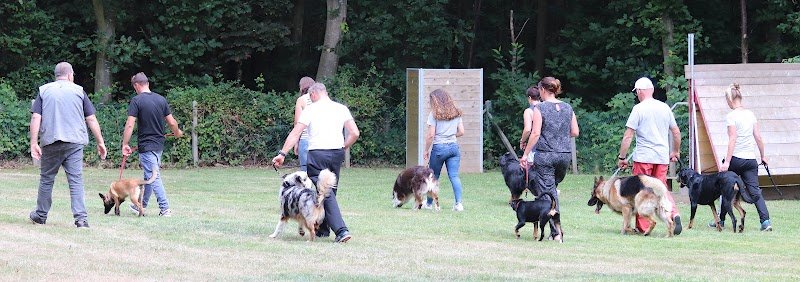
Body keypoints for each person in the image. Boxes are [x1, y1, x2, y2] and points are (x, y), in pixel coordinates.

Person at [272, 83, 360, 243]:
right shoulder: (341, 108)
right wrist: (344, 146)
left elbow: (295, 133)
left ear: (312, 95)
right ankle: (323, 229)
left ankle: (341, 230)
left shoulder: (310, 109)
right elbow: (355, 132)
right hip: (336, 153)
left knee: (326, 192)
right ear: (325, 93)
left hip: (317, 153)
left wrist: (282, 153)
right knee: (330, 190)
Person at [29, 62, 107, 228]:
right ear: (70, 75)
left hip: (50, 142)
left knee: (46, 179)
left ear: (56, 75)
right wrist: (100, 142)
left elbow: (36, 117)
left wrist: (33, 142)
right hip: (74, 143)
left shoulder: (44, 90)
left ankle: (41, 216)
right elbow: (91, 118)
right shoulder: (79, 91)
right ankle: (81, 219)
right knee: (75, 181)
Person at [617, 77, 682, 235]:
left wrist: (622, 157)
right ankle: (674, 213)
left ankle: (643, 227)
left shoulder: (638, 109)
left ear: (639, 91)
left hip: (644, 158)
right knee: (661, 189)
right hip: (661, 157)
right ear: (652, 90)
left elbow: (628, 136)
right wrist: (675, 151)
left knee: (641, 192)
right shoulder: (665, 108)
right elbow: (676, 132)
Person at [520, 77, 579, 241]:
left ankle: (556, 233)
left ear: (543, 90)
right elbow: (575, 132)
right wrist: (559, 136)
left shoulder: (540, 108)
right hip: (564, 156)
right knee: (550, 189)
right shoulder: (568, 107)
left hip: (546, 155)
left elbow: (536, 133)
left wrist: (525, 154)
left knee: (548, 194)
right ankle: (554, 229)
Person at [122, 72, 183, 217]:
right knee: (149, 175)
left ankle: (165, 208)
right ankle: (141, 205)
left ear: (137, 85)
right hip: (158, 146)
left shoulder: (136, 101)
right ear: (147, 83)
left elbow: (130, 124)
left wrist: (125, 143)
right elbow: (172, 122)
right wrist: (177, 132)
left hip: (146, 146)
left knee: (153, 176)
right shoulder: (161, 99)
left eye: (134, 87)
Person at [715, 83, 772, 231]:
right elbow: (758, 137)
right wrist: (763, 156)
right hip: (750, 160)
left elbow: (732, 139)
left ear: (730, 99)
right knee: (755, 191)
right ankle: (765, 222)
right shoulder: (751, 114)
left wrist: (727, 162)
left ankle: (720, 221)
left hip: (736, 159)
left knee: (725, 187)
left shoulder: (731, 116)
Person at [423, 89, 466, 211]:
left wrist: (426, 150)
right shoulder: (456, 112)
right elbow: (462, 132)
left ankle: (429, 203)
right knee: (454, 176)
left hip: (439, 148)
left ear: (435, 101)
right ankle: (458, 204)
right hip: (453, 147)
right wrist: (451, 136)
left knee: (434, 176)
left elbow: (431, 135)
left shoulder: (434, 114)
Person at [293, 76, 315, 171]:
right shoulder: (323, 100)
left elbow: (298, 123)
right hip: (320, 141)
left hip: (305, 139)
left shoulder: (301, 100)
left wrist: (296, 142)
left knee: (305, 173)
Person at [519, 86, 542, 166]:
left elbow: (528, 129)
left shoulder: (529, 111)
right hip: (549, 148)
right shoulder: (547, 108)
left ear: (529, 98)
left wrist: (522, 141)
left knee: (532, 173)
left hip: (535, 147)